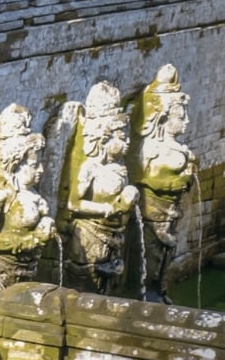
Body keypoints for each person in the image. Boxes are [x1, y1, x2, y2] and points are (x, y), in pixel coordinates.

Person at [64, 81, 138, 295]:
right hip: (90, 235)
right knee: (88, 288)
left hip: (114, 232)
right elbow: (74, 202)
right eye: (121, 138)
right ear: (103, 138)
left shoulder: (119, 165)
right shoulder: (90, 167)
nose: (127, 144)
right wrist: (108, 209)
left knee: (106, 287)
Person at [133, 65, 196, 303]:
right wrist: (182, 178)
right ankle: (147, 292)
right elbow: (143, 177)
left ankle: (157, 290)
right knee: (152, 254)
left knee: (164, 254)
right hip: (153, 212)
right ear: (162, 118)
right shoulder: (151, 148)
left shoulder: (170, 148)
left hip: (169, 212)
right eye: (181, 116)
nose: (187, 121)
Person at [0, 104, 55, 294]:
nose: (41, 171)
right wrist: (30, 241)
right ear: (15, 165)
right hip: (1, 271)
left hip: (27, 267)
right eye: (34, 165)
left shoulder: (32, 194)